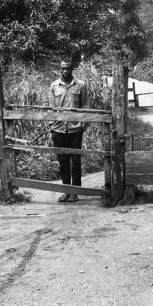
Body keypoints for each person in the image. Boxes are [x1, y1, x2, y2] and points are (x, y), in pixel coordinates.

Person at [48, 60, 90, 203]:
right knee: (63, 162)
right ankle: (66, 191)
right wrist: (51, 124)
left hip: (75, 129)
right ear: (60, 70)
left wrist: (84, 123)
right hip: (58, 129)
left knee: (75, 161)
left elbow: (85, 104)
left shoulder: (81, 85)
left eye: (67, 69)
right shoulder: (54, 86)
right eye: (62, 69)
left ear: (72, 69)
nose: (65, 71)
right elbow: (51, 107)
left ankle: (75, 192)